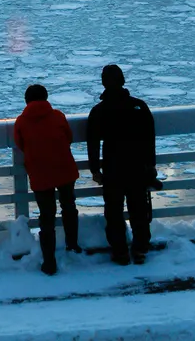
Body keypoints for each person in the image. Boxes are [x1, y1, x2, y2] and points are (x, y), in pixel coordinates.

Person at [86, 64, 160, 266]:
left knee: (114, 212)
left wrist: (95, 169)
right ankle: (140, 249)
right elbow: (149, 139)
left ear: (103, 83)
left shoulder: (99, 111)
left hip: (113, 169)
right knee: (139, 209)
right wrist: (150, 165)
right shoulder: (139, 107)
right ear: (123, 81)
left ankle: (120, 251)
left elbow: (93, 142)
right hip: (137, 167)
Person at [13, 84, 81, 275]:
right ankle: (73, 245)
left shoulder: (21, 122)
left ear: (27, 101)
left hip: (40, 173)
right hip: (64, 169)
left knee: (47, 216)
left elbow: (20, 144)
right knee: (69, 206)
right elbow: (68, 137)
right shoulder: (57, 116)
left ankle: (49, 261)